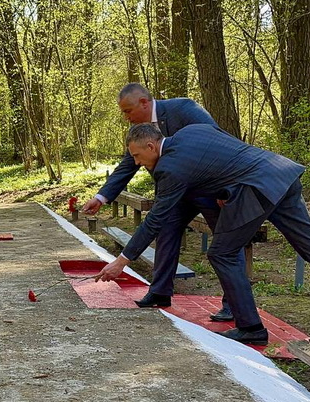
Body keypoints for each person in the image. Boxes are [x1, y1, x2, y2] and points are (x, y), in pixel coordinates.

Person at [94, 123, 310, 343]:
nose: (138, 162)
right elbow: (228, 153)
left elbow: (155, 220)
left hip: (256, 189)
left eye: (137, 156)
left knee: (222, 253)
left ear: (152, 145)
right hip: (281, 174)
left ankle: (250, 327)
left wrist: (123, 260)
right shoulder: (194, 130)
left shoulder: (170, 168)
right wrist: (226, 187)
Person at [81, 83, 241, 321]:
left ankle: (234, 304)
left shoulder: (185, 109)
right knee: (164, 231)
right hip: (174, 192)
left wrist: (226, 189)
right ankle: (160, 292)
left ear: (144, 103)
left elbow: (217, 144)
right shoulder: (139, 132)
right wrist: (101, 197)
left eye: (128, 111)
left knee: (225, 244)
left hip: (208, 189)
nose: (126, 118)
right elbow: (128, 165)